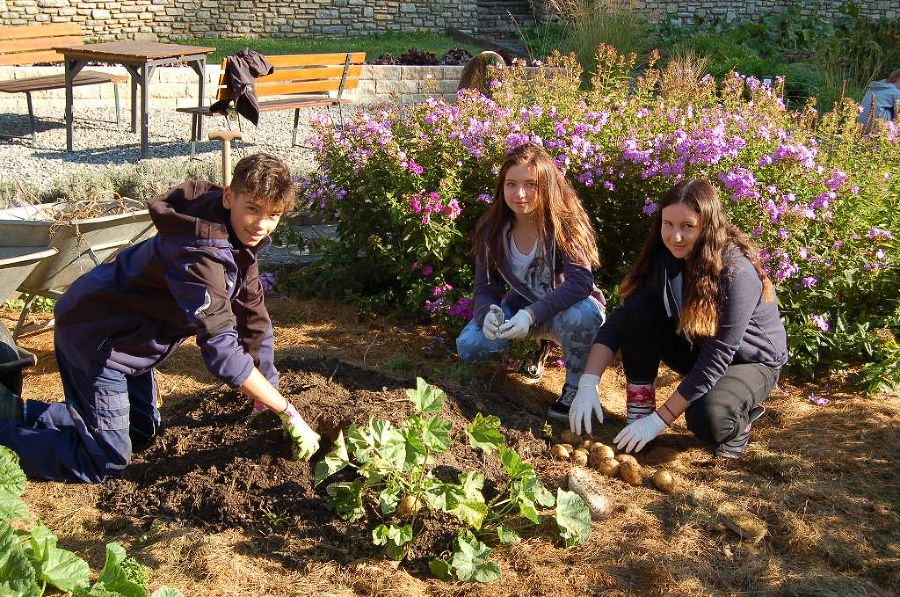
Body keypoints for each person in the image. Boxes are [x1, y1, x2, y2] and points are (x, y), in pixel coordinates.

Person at [0, 153, 320, 483]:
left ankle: (26, 413)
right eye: (252, 208)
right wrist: (285, 409)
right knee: (106, 460)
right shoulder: (199, 253)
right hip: (96, 337)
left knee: (143, 431)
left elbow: (253, 319)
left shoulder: (239, 241)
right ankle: (7, 438)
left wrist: (266, 392)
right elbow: (221, 351)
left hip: (132, 342)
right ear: (229, 196)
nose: (261, 224)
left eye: (273, 215)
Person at [568, 179, 787, 459]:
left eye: (687, 226)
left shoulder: (736, 273)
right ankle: (639, 408)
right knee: (639, 310)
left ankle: (739, 422)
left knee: (707, 418)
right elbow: (623, 318)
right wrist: (588, 382)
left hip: (748, 361)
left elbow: (718, 355)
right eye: (668, 224)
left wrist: (660, 420)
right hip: (699, 344)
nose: (675, 236)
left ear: (707, 224)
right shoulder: (666, 254)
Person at [456, 143, 606, 421]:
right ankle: (533, 351)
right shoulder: (491, 229)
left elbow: (580, 283)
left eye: (530, 184)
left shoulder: (565, 224)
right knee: (471, 344)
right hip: (524, 312)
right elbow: (485, 288)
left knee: (582, 313)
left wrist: (530, 314)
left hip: (568, 312)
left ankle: (575, 385)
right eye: (511, 184)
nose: (520, 193)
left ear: (546, 185)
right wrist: (487, 313)